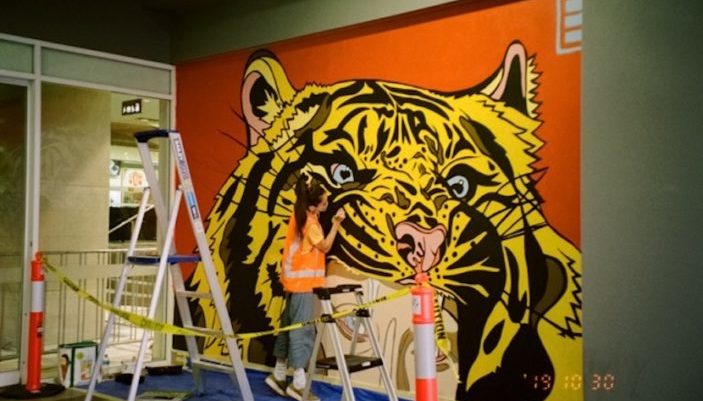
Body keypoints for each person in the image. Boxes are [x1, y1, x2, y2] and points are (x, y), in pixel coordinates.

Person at [265, 174, 345, 401]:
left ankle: (279, 375)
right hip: (304, 286)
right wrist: (336, 224)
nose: (327, 205)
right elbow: (325, 246)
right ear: (313, 206)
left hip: (292, 283)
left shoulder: (298, 216)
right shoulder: (310, 225)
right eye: (324, 203)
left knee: (289, 327)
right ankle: (299, 384)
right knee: (303, 331)